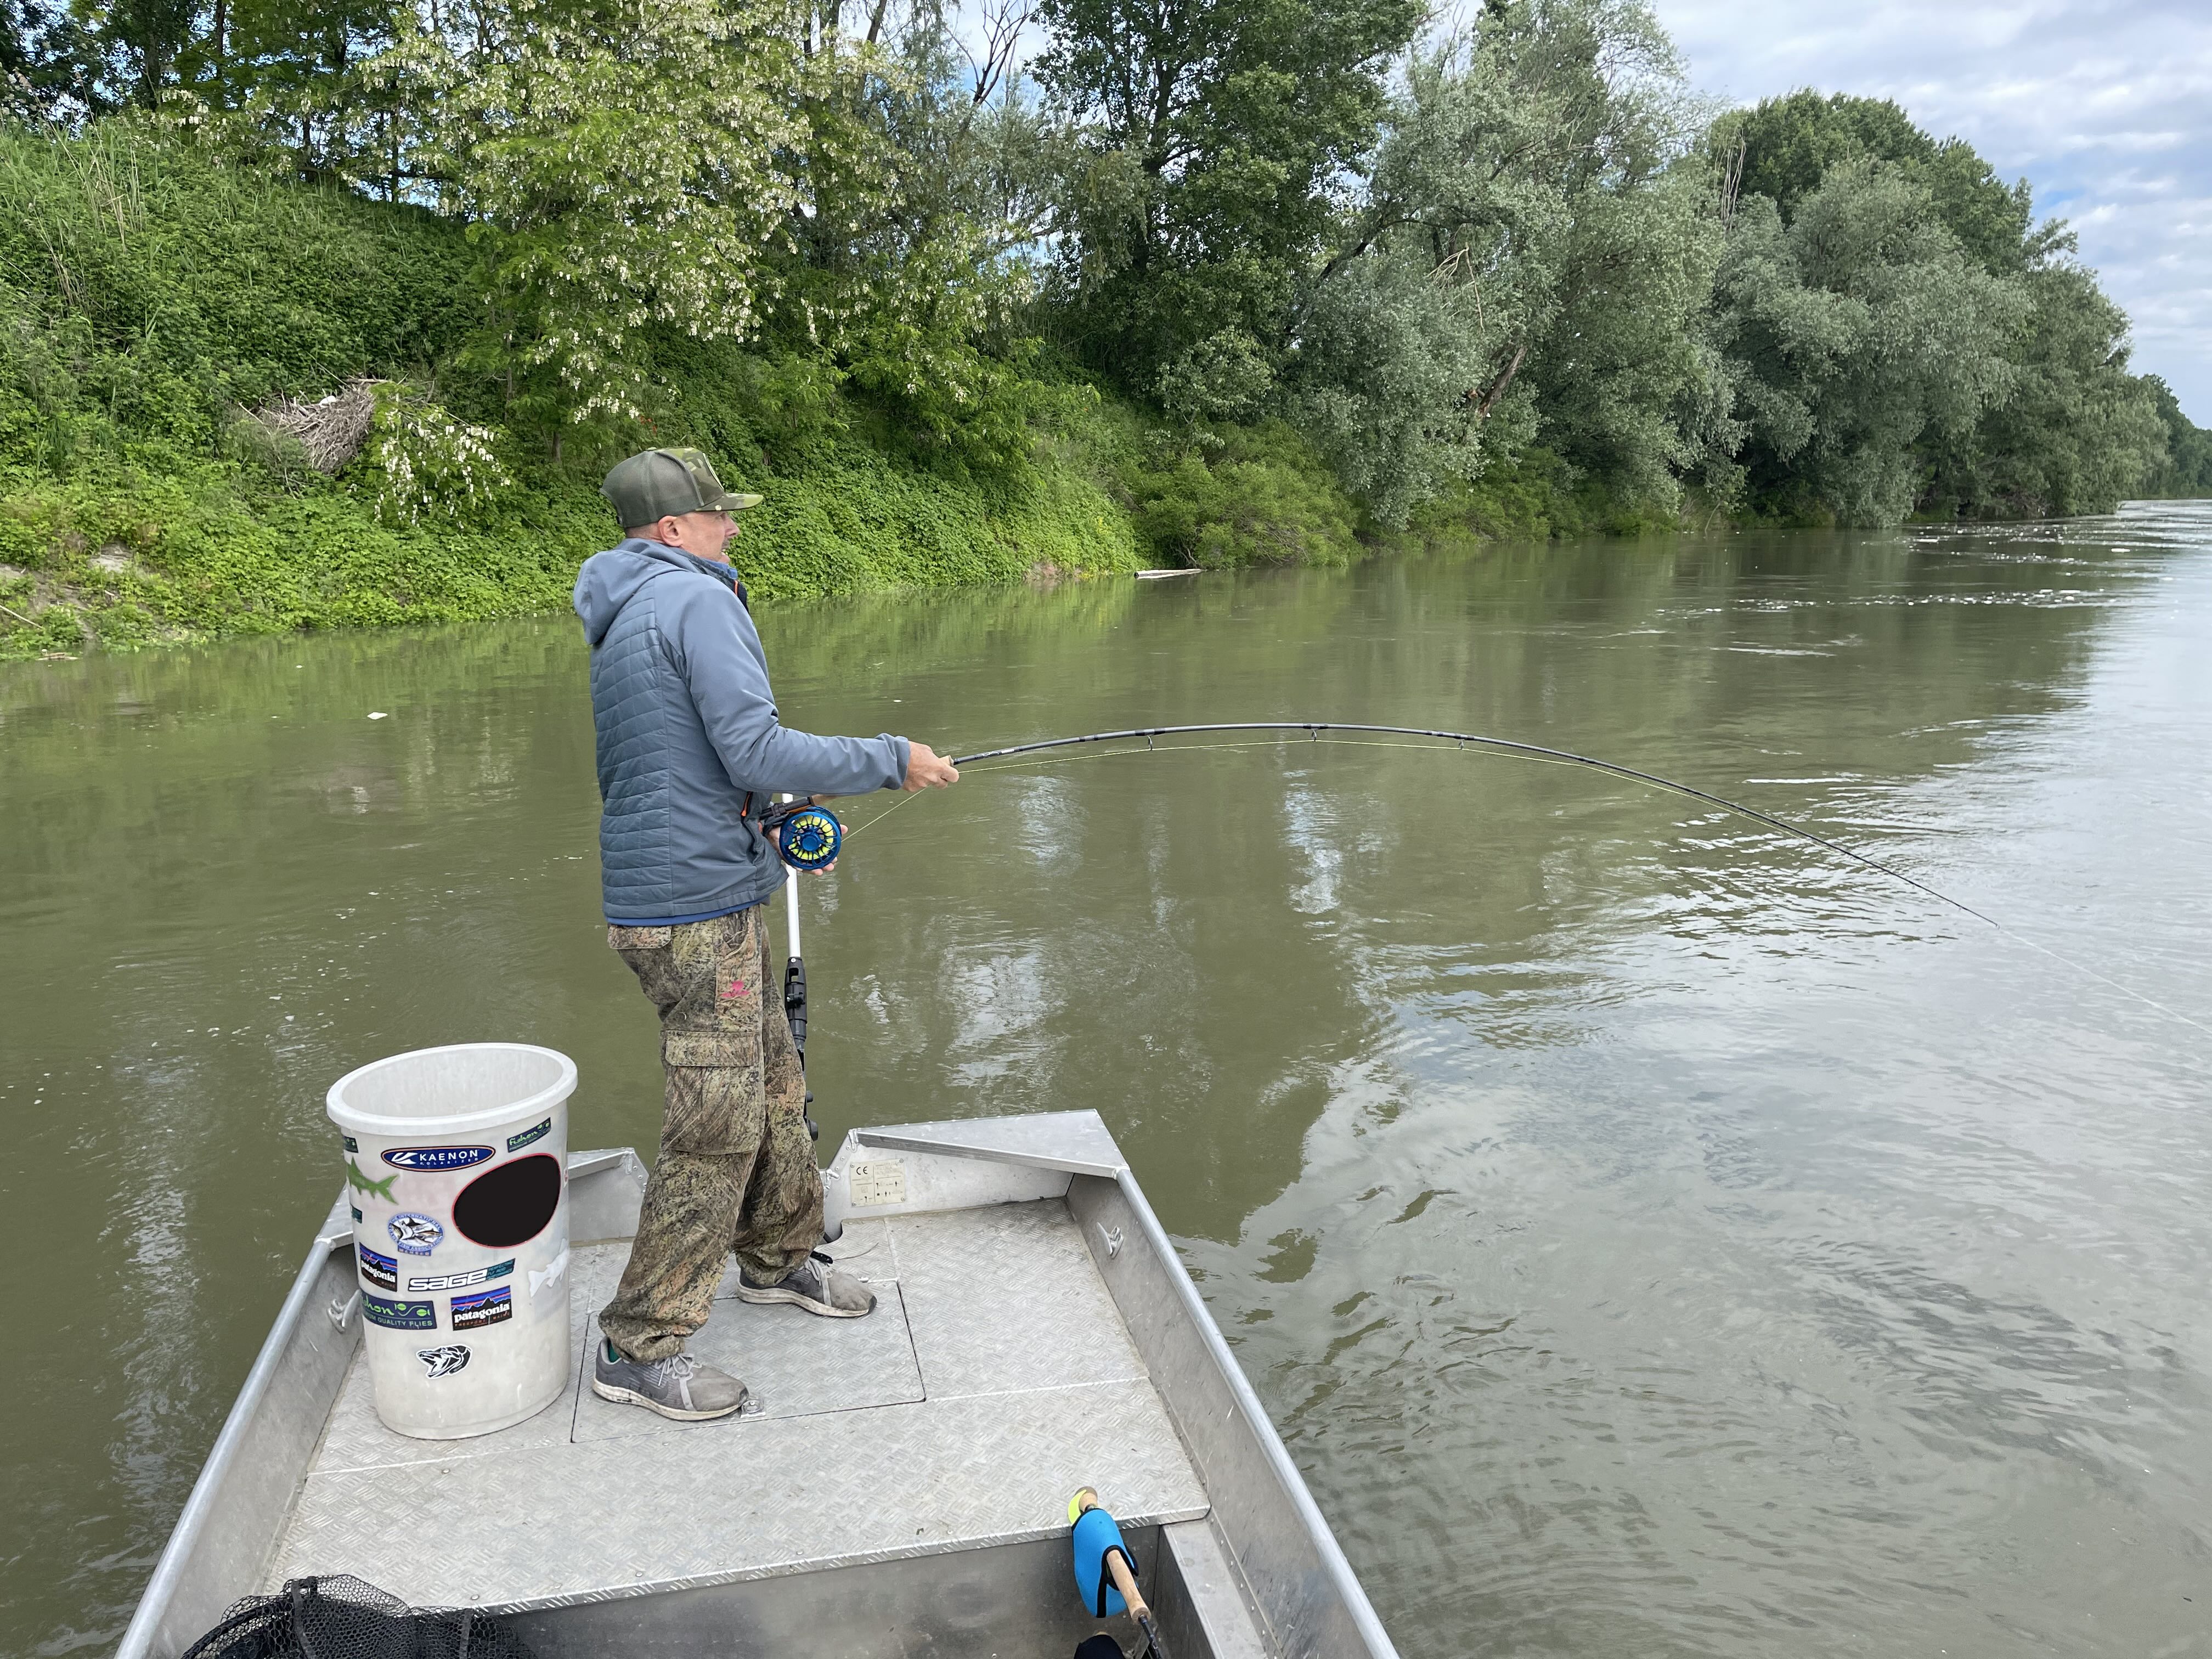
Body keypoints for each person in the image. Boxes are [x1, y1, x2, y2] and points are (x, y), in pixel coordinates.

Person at [572, 447, 959, 1421]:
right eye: (716, 516)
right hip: (694, 912)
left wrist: (775, 801)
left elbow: (688, 766)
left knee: (775, 1083)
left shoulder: (628, 615)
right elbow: (751, 745)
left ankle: (779, 1260)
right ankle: (639, 1343)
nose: (731, 527)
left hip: (689, 892)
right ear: (671, 530)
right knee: (718, 1125)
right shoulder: (695, 601)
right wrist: (888, 757)